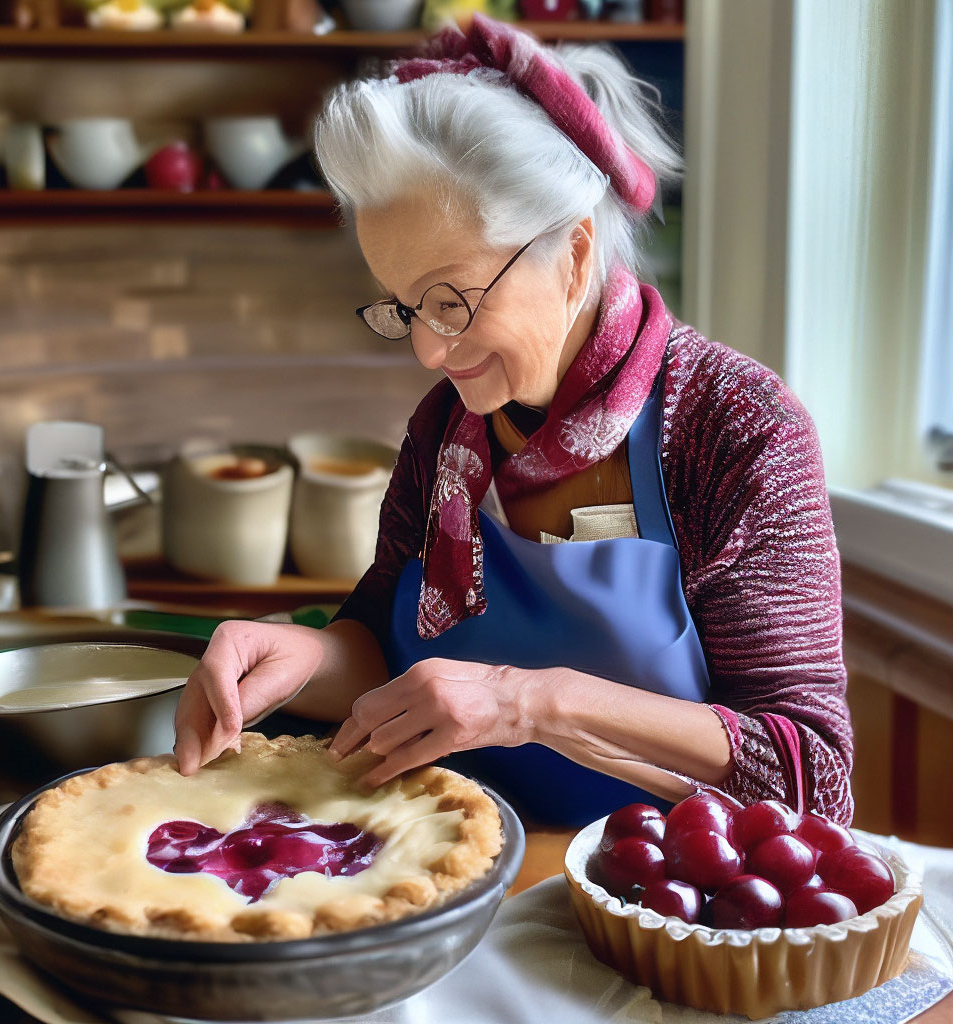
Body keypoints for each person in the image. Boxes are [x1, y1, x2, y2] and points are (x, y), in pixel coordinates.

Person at [173, 14, 853, 828]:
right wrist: (301, 655)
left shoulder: (734, 428)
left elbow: (809, 768)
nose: (428, 349)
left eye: (453, 300)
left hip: (650, 902)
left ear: (571, 255)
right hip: (437, 863)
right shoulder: (447, 430)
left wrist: (532, 702)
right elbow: (383, 647)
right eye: (406, 307)